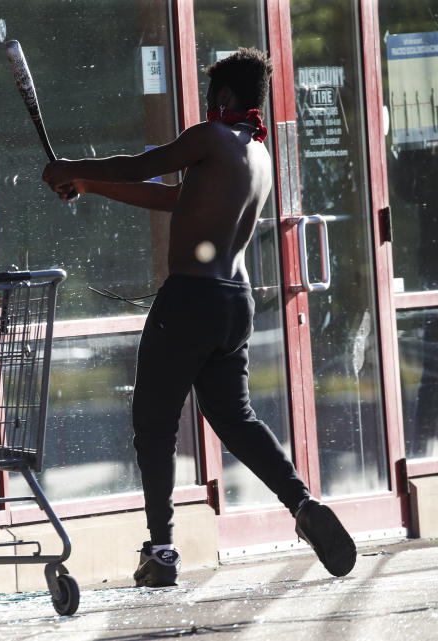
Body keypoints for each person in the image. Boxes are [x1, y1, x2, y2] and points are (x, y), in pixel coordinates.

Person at [42, 48, 357, 587]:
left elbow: (146, 165)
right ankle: (301, 504)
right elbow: (174, 200)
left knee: (153, 424)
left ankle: (161, 550)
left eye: (214, 97)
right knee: (235, 419)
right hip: (234, 302)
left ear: (226, 97)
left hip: (188, 298)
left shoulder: (211, 138)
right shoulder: (256, 153)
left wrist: (71, 167)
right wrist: (90, 185)